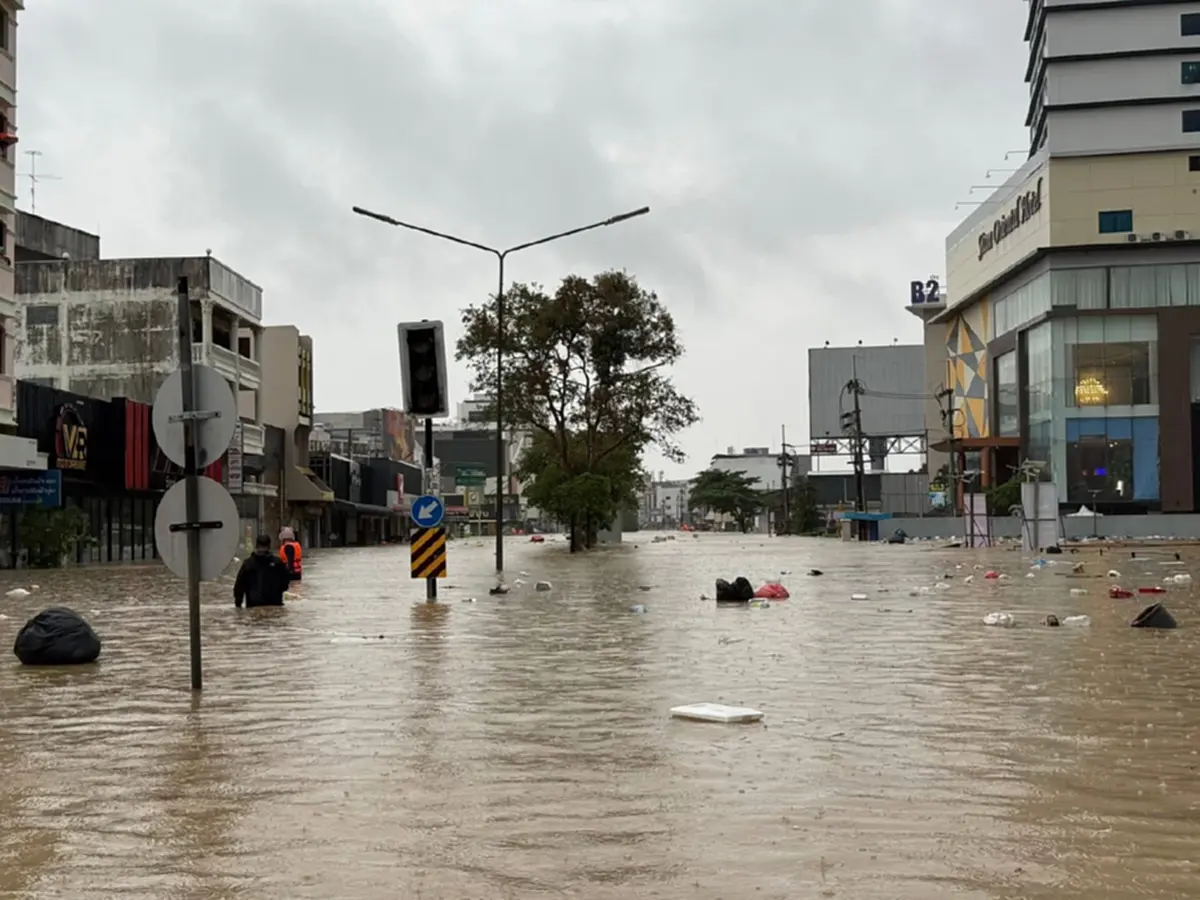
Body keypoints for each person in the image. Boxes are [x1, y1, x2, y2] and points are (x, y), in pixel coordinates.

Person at [234, 535, 292, 608]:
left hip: (253, 605)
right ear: (269, 546)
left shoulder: (248, 563)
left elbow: (239, 586)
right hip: (274, 604)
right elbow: (285, 583)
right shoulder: (278, 563)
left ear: (256, 546)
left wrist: (238, 604)